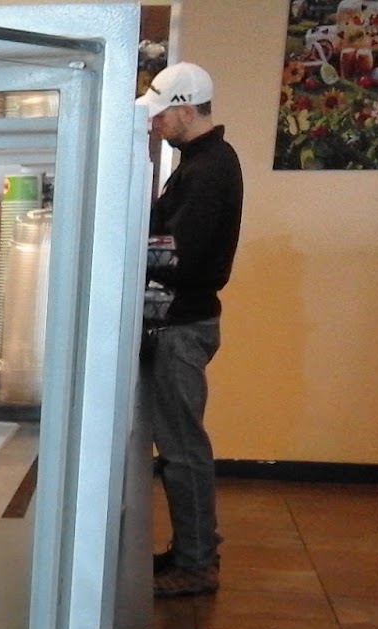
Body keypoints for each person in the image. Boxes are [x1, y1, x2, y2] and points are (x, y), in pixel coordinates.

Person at [137, 61, 242, 599]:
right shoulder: (202, 162)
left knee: (182, 450)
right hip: (180, 319)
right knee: (181, 445)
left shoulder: (208, 169)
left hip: (182, 325)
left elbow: (179, 255)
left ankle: (198, 563)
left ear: (184, 109)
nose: (154, 123)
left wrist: (125, 249)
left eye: (160, 114)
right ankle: (192, 550)